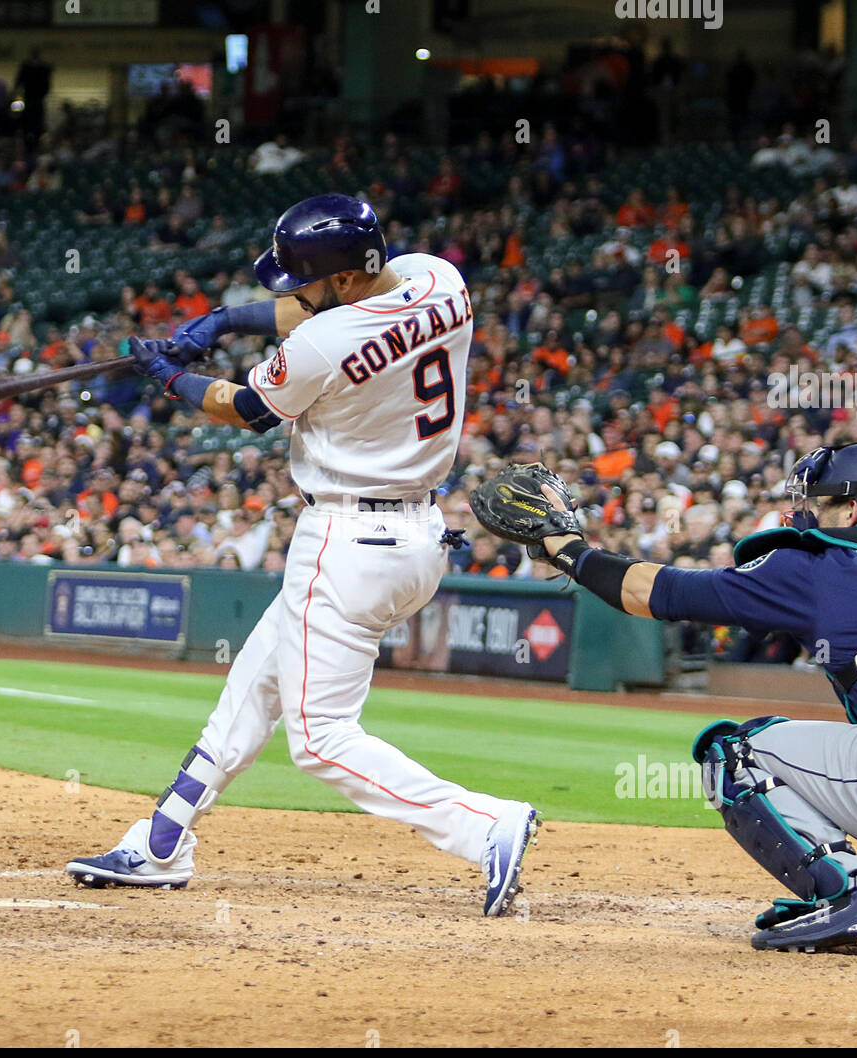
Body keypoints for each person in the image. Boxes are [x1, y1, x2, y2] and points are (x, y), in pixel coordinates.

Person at [67, 194, 538, 916]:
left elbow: (242, 407)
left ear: (343, 279)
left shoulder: (325, 342)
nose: (290, 293)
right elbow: (322, 315)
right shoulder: (439, 278)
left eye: (302, 281)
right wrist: (222, 322)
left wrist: (167, 375)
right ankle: (162, 838)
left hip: (347, 542)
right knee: (256, 685)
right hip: (416, 534)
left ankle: (481, 826)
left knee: (319, 740)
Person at [476, 444, 857, 952]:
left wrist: (568, 549)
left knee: (734, 751)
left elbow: (654, 591)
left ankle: (854, 891)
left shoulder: (814, 566)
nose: (806, 511)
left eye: (818, 501)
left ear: (853, 511)